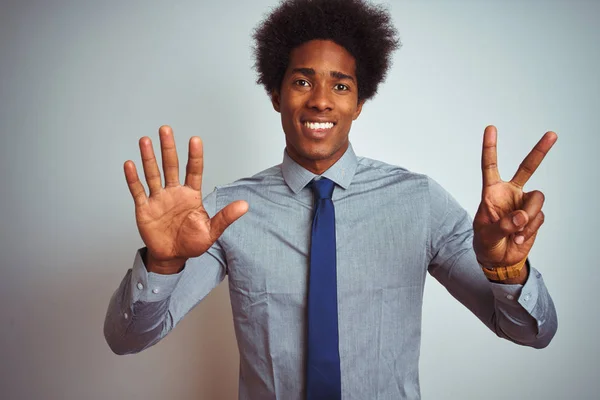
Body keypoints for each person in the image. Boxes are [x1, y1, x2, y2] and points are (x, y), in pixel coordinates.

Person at [104, 0, 558, 398]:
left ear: (359, 103)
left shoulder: (419, 202)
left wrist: (507, 270)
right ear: (275, 95)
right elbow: (126, 339)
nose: (321, 101)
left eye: (341, 86)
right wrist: (163, 265)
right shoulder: (226, 213)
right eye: (302, 82)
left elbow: (530, 333)